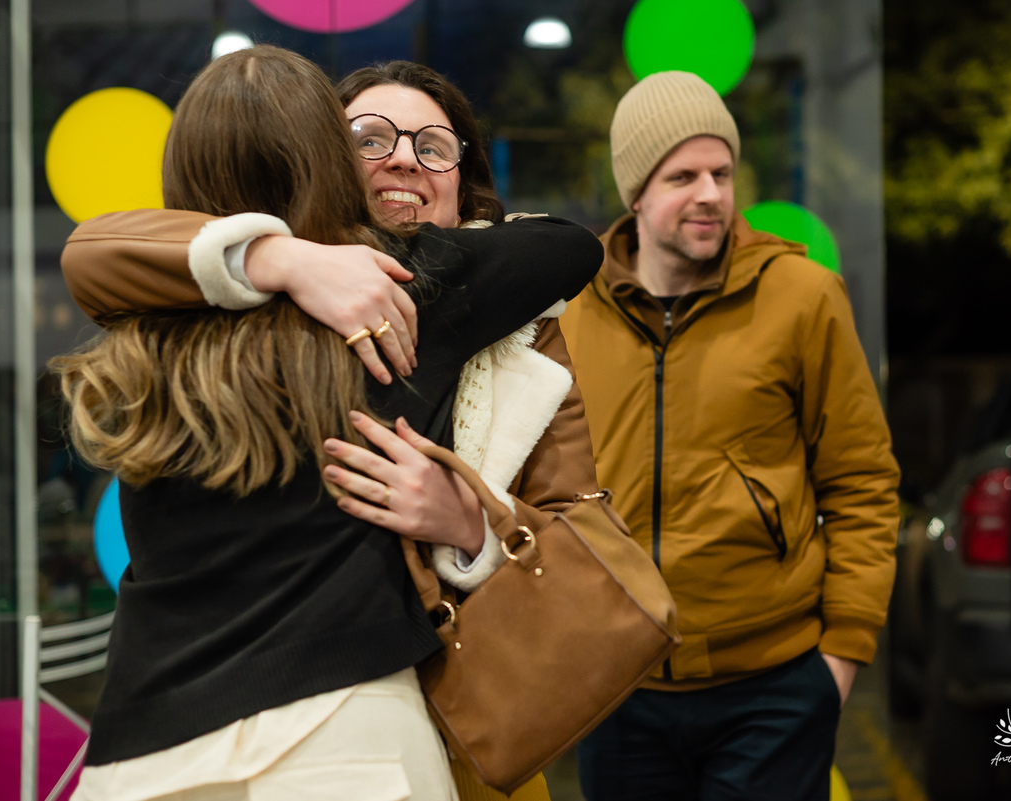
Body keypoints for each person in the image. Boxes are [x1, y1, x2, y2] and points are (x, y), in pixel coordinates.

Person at [55, 45, 601, 801]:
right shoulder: (415, 283)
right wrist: (291, 257)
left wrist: (473, 524)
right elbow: (571, 245)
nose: (402, 162)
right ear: (330, 160)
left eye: (432, 147)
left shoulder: (145, 325)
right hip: (349, 730)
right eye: (369, 140)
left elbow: (87, 252)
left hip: (149, 751)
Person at [559, 71, 901, 801]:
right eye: (682, 175)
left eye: (722, 171)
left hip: (772, 687)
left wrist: (841, 656)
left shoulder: (803, 297)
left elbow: (862, 480)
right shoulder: (574, 316)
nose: (710, 193)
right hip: (620, 685)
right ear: (637, 193)